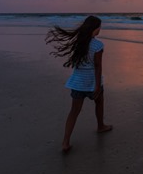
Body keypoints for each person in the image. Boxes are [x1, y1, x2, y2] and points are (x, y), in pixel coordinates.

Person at [46, 15, 112, 153]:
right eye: (99, 27)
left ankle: (65, 142)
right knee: (99, 102)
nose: (100, 29)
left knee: (74, 112)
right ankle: (100, 126)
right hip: (91, 80)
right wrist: (97, 85)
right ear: (95, 28)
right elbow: (98, 66)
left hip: (77, 81)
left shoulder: (79, 42)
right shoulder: (98, 45)